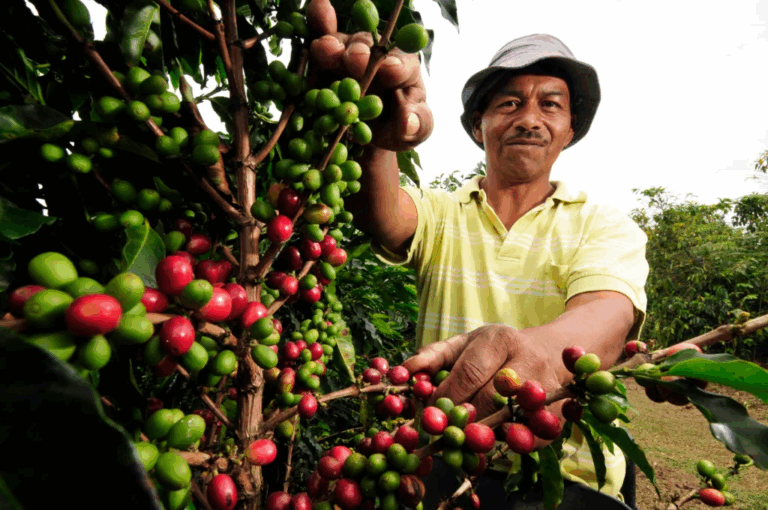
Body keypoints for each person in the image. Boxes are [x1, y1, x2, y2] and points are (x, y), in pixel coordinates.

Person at [307, 1, 649, 508]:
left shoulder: (602, 224)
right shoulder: (442, 213)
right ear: (476, 126)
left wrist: (536, 354)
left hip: (567, 475)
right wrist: (378, 130)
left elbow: (608, 313)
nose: (529, 119)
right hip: (442, 458)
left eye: (551, 105)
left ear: (570, 130)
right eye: (509, 103)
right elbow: (384, 215)